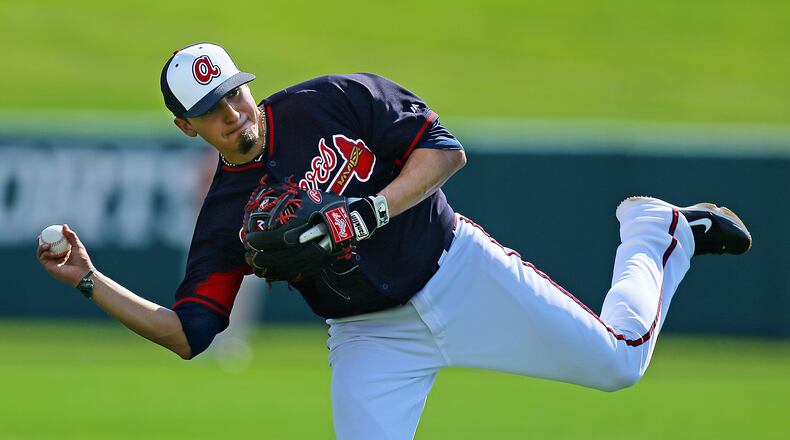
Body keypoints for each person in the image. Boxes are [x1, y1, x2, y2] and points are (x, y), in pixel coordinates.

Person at [37, 42, 752, 440]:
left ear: (247, 85)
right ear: (185, 129)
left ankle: (654, 231)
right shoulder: (225, 214)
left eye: (233, 92)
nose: (232, 113)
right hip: (369, 340)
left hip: (453, 270)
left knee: (619, 363)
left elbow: (444, 152)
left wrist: (365, 212)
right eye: (209, 110)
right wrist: (91, 282)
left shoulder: (331, 101)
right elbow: (190, 333)